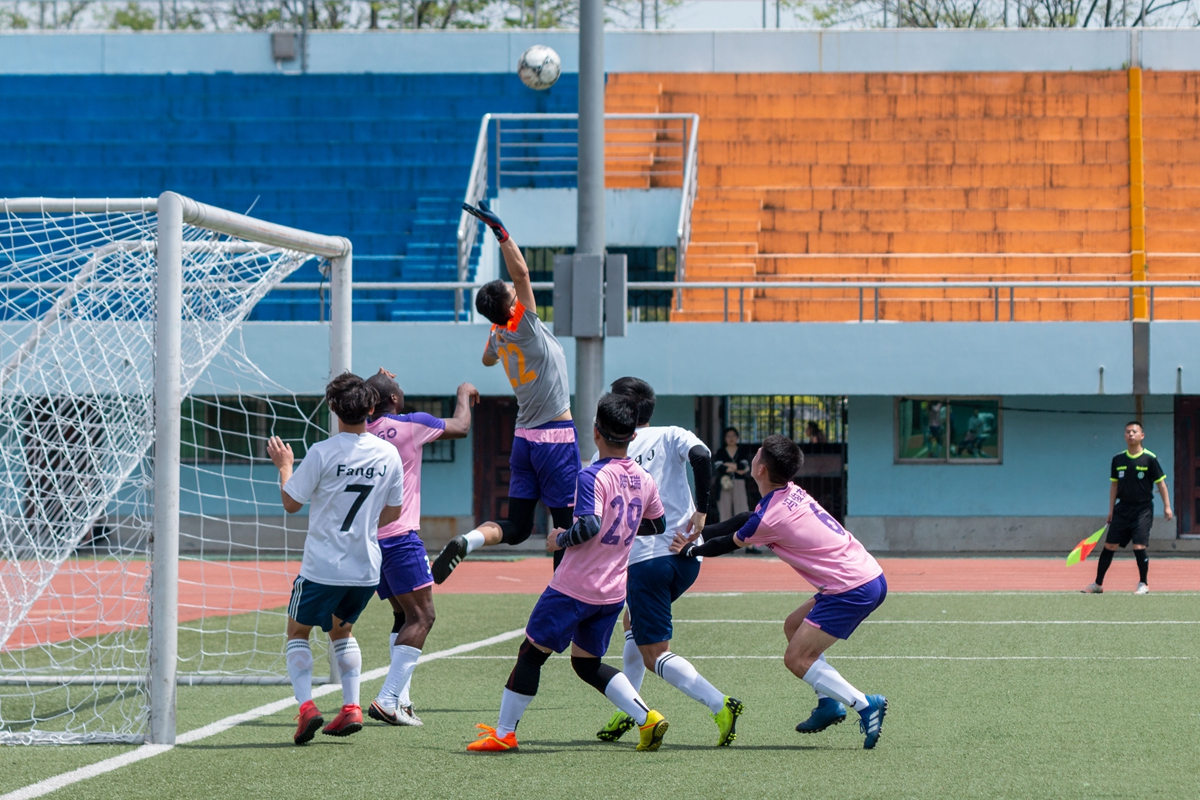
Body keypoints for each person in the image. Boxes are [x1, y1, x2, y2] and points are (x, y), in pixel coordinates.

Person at [467, 393, 670, 753]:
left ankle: (504, 733)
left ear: (595, 432)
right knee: (587, 665)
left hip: (574, 587)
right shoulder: (644, 478)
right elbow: (657, 525)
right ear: (633, 436)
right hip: (612, 592)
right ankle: (647, 717)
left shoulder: (592, 475)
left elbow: (589, 526)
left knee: (530, 654)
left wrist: (560, 538)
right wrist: (620, 529)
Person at [671, 434, 889, 750]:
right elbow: (746, 520)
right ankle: (828, 703)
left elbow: (728, 544)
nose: (754, 455)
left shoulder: (770, 516)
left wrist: (690, 551)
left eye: (757, 453)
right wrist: (701, 531)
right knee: (792, 626)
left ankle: (865, 705)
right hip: (866, 574)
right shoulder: (789, 493)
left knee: (796, 658)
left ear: (759, 469)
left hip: (851, 587)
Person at [431, 200, 578, 584]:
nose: (516, 287)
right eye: (511, 291)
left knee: (516, 525)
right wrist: (501, 232)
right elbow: (523, 272)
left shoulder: (499, 334)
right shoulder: (524, 326)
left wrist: (497, 325)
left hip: (523, 438)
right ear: (512, 305)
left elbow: (485, 361)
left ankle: (469, 539)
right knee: (564, 525)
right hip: (555, 437)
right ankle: (562, 599)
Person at [593, 377, 744, 748]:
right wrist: (702, 513)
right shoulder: (672, 433)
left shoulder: (608, 451)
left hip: (646, 564)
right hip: (688, 556)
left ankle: (719, 703)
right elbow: (703, 457)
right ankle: (629, 707)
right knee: (634, 622)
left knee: (654, 654)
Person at [266, 373, 405, 745]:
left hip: (322, 566)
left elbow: (292, 503)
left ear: (333, 409)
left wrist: (283, 465)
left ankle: (307, 706)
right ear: (372, 409)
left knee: (298, 632)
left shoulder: (323, 452)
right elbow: (393, 512)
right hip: (365, 567)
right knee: (341, 631)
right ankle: (351, 707)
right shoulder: (388, 453)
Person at [363, 369, 478, 727]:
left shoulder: (361, 432)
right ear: (394, 399)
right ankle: (386, 699)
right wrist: (463, 393)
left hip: (371, 541)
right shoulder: (411, 424)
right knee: (424, 616)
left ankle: (402, 702)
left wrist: (375, 383)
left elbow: (375, 400)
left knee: (403, 616)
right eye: (399, 389)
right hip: (400, 538)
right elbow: (460, 427)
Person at [1083, 420, 1173, 595]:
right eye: (1127, 432)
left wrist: (1167, 507)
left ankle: (1143, 584)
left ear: (1142, 435)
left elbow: (1161, 484)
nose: (1130, 434)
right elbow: (1114, 487)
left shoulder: (1149, 459)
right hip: (1122, 509)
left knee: (1139, 546)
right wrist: (1111, 510)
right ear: (1124, 436)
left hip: (1143, 510)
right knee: (1109, 545)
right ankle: (1098, 584)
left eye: (1134, 431)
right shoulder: (1118, 460)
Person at [712, 426, 750, 522]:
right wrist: (737, 468)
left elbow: (744, 466)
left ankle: (741, 534)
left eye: (733, 436)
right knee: (724, 510)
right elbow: (719, 467)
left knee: (741, 509)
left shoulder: (742, 451)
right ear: (724, 438)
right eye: (728, 436)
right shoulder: (721, 452)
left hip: (739, 482)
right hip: (724, 483)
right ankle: (725, 534)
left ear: (737, 437)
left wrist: (727, 464)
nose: (731, 438)